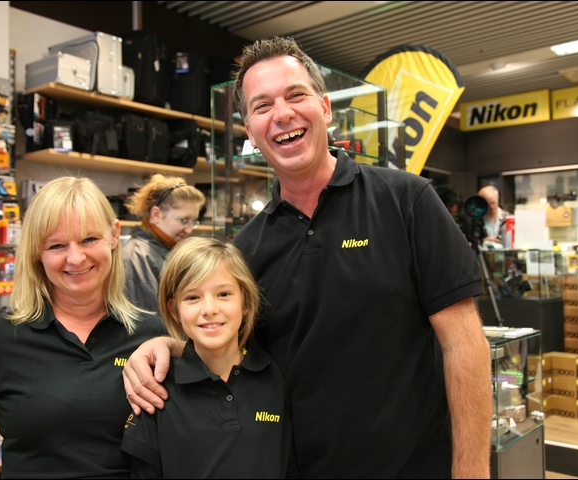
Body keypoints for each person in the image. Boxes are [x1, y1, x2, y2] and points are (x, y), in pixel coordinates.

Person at [122, 36, 492, 478]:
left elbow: (464, 346)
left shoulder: (405, 201)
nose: (282, 114)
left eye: (295, 95)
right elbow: (231, 347)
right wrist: (168, 344)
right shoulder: (246, 250)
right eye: (262, 106)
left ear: (325, 108)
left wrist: (472, 471)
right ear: (250, 132)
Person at [0, 176, 168, 479]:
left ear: (114, 235)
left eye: (89, 239)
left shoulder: (152, 336)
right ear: (36, 252)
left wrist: (174, 345)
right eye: (57, 245)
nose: (76, 258)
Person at [121, 236, 296, 478]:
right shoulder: (156, 390)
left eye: (223, 294)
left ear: (245, 301)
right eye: (192, 297)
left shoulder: (276, 377)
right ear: (174, 310)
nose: (209, 309)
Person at [122, 174, 206, 312]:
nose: (190, 229)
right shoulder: (137, 258)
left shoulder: (166, 250)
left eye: (194, 221)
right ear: (156, 214)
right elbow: (148, 320)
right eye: (183, 220)